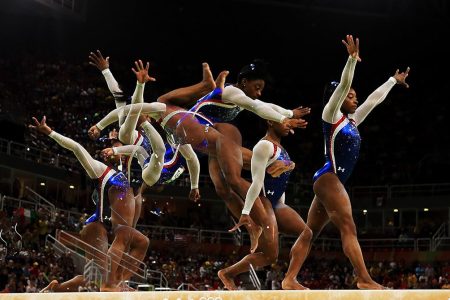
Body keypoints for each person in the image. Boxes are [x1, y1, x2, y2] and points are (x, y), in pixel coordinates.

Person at [282, 35, 410, 290]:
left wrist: (392, 81)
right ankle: (363, 278)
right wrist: (351, 62)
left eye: (355, 96)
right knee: (348, 225)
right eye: (351, 96)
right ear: (339, 99)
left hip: (329, 181)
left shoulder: (351, 122)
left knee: (310, 232)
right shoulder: (331, 116)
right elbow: (342, 86)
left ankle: (289, 279)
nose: (355, 99)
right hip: (329, 178)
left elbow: (373, 100)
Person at [158, 60, 309, 252]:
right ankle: (260, 220)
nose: (259, 92)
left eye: (261, 88)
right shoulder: (232, 92)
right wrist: (283, 118)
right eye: (257, 87)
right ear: (244, 82)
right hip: (199, 129)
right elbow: (256, 107)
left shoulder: (240, 96)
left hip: (209, 136)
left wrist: (288, 112)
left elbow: (262, 103)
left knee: (226, 185)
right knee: (227, 184)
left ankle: (257, 223)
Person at [29, 117, 149, 292]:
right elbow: (77, 148)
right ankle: (109, 285)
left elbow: (141, 150)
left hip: (114, 230)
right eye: (113, 146)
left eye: (119, 146)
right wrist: (50, 132)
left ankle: (111, 283)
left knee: (142, 242)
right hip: (96, 226)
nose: (117, 150)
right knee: (100, 275)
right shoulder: (99, 169)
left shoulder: (127, 176)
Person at [218, 116, 312, 290]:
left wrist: (282, 202)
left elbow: (279, 181)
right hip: (263, 201)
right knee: (270, 256)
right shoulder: (264, 146)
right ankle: (227, 273)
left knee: (306, 233)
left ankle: (290, 279)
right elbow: (256, 182)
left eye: (288, 122)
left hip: (277, 202)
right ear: (270, 122)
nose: (288, 125)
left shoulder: (281, 148)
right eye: (284, 121)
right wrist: (246, 212)